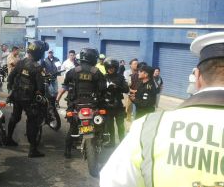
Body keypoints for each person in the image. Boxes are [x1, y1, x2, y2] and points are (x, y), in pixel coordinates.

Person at [100, 32, 224, 187]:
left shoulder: (149, 127)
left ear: (197, 77)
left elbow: (112, 181)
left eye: (141, 71)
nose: (139, 72)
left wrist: (132, 97)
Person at [6, 40, 49, 158]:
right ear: (39, 53)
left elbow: (11, 76)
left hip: (16, 96)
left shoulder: (21, 62)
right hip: (29, 99)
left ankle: (8, 138)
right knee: (32, 122)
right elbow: (40, 88)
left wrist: (11, 89)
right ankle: (33, 149)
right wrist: (41, 95)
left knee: (15, 117)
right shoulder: (37, 67)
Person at [62, 48, 106, 159]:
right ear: (92, 58)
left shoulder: (73, 71)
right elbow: (103, 89)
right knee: (100, 122)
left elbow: (66, 84)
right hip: (93, 104)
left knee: (73, 127)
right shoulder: (97, 72)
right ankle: (101, 140)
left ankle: (67, 152)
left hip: (76, 104)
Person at [103, 58, 129, 147]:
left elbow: (126, 89)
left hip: (118, 105)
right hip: (107, 105)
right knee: (110, 125)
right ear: (106, 68)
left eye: (113, 68)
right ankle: (112, 142)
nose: (111, 69)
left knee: (120, 125)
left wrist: (117, 87)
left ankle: (122, 143)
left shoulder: (120, 77)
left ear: (116, 68)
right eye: (109, 68)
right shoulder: (103, 77)